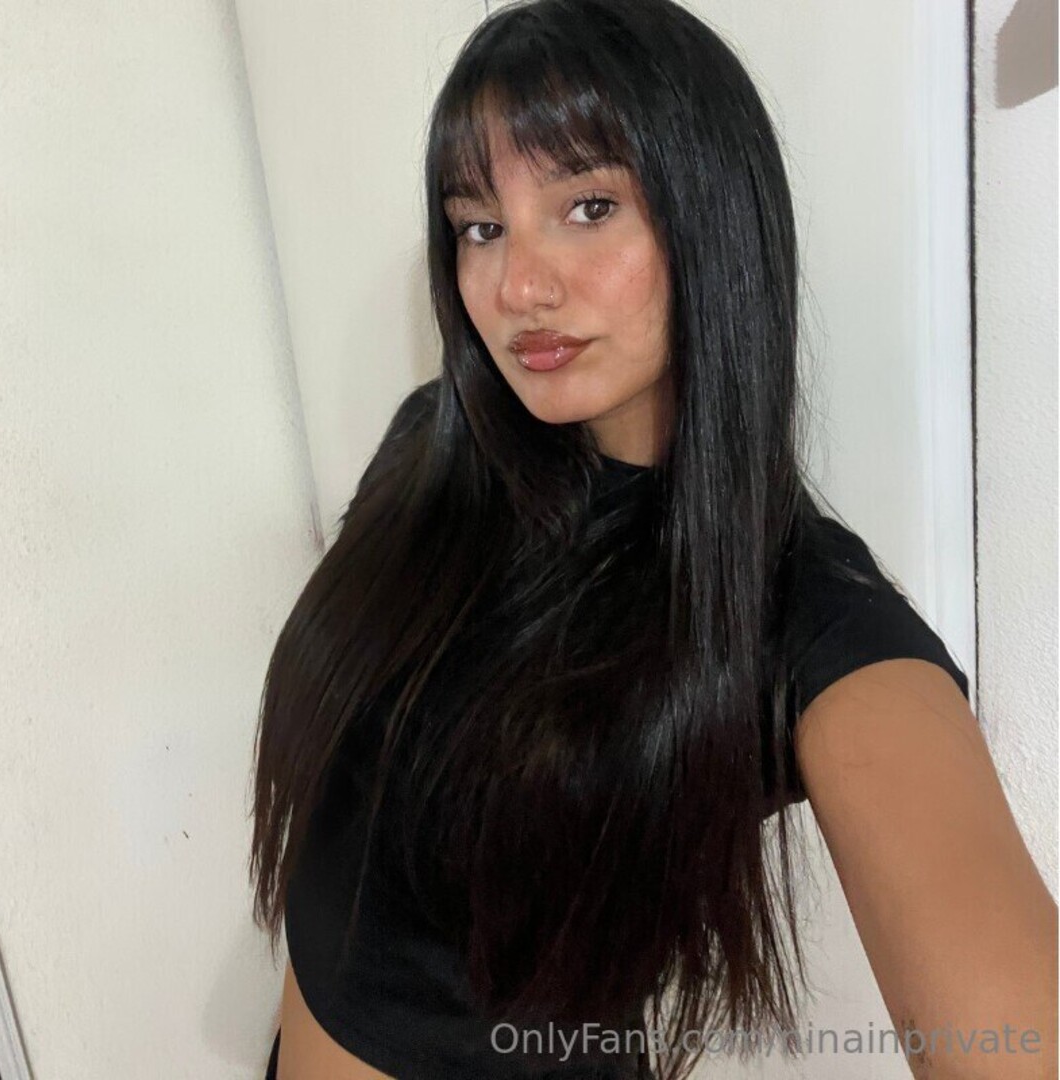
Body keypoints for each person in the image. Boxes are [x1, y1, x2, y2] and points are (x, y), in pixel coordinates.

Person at [248, 1, 1058, 1077]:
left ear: (711, 220)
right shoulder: (427, 455)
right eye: (481, 226)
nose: (519, 287)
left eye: (588, 207)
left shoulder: (804, 619)